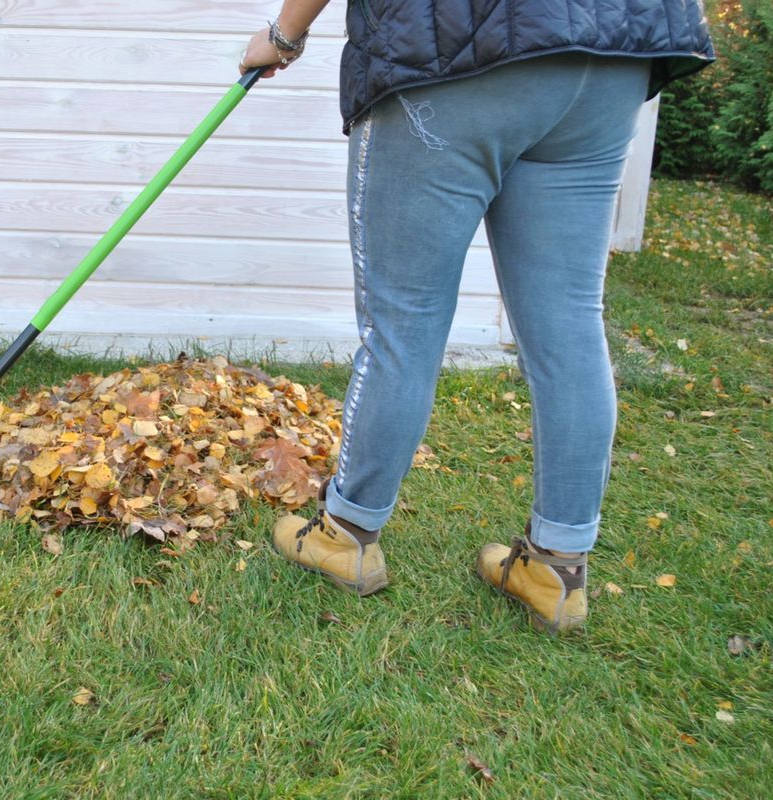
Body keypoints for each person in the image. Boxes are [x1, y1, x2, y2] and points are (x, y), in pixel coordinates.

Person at [240, 0, 713, 633]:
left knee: (402, 325)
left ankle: (345, 535)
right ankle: (556, 568)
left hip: (455, 57)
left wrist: (283, 35)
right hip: (611, 54)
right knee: (569, 322)